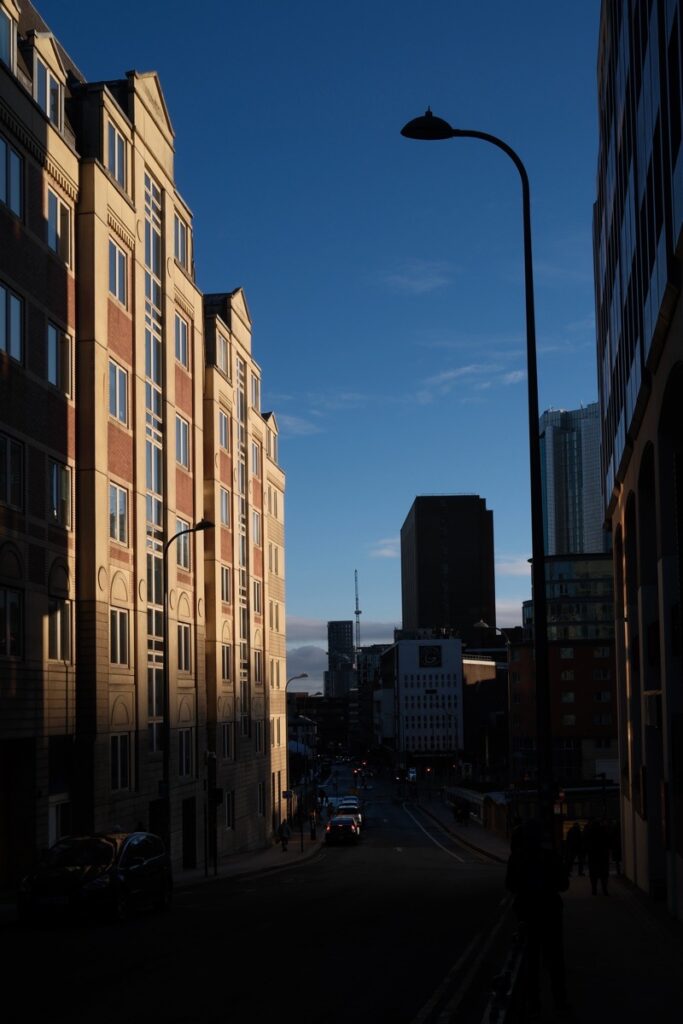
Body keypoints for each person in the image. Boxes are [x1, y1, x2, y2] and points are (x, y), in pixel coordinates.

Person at [505, 818, 569, 1016]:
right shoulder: (550, 857)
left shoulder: (516, 858)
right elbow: (563, 884)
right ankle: (560, 1001)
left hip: (528, 915)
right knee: (555, 960)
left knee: (530, 962)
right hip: (550, 914)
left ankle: (533, 1004)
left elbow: (510, 885)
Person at [583, 818, 610, 895]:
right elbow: (608, 841)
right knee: (604, 874)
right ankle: (604, 889)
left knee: (593, 874)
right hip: (603, 856)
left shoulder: (589, 832)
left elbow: (585, 842)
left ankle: (594, 889)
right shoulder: (603, 831)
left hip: (593, 856)